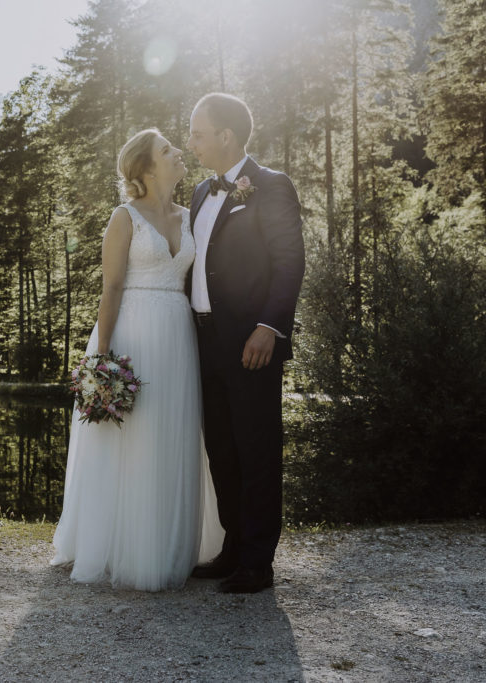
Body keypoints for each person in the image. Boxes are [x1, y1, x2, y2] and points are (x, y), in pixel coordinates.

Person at [51, 128, 223, 591]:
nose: (179, 152)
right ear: (146, 168)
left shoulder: (191, 216)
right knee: (130, 436)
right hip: (131, 333)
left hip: (178, 335)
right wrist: (101, 359)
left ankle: (167, 544)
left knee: (172, 432)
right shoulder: (124, 217)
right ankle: (122, 546)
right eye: (167, 149)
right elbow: (110, 288)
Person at [185, 93, 305, 593]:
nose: (191, 143)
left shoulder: (271, 185)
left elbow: (289, 261)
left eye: (197, 134)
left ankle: (258, 562)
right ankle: (233, 547)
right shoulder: (199, 192)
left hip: (251, 342)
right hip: (202, 341)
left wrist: (269, 327)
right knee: (221, 448)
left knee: (256, 449)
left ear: (226, 136)